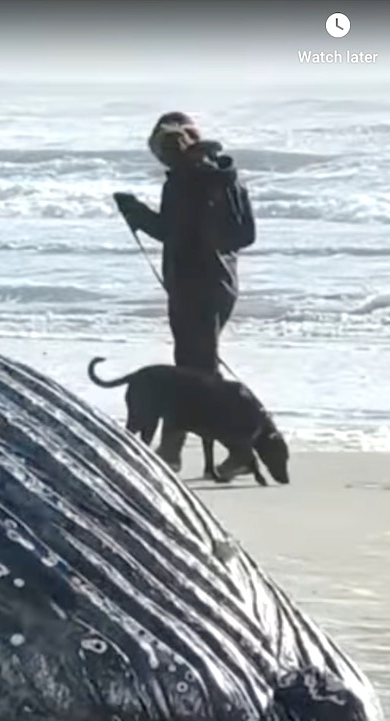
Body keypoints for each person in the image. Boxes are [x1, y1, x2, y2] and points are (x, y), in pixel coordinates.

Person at [112, 111, 256, 473]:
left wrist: (135, 212)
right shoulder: (226, 177)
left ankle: (224, 451)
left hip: (193, 284)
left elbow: (172, 232)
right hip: (222, 283)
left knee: (195, 374)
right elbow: (243, 236)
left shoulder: (184, 182)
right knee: (197, 370)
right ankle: (182, 449)